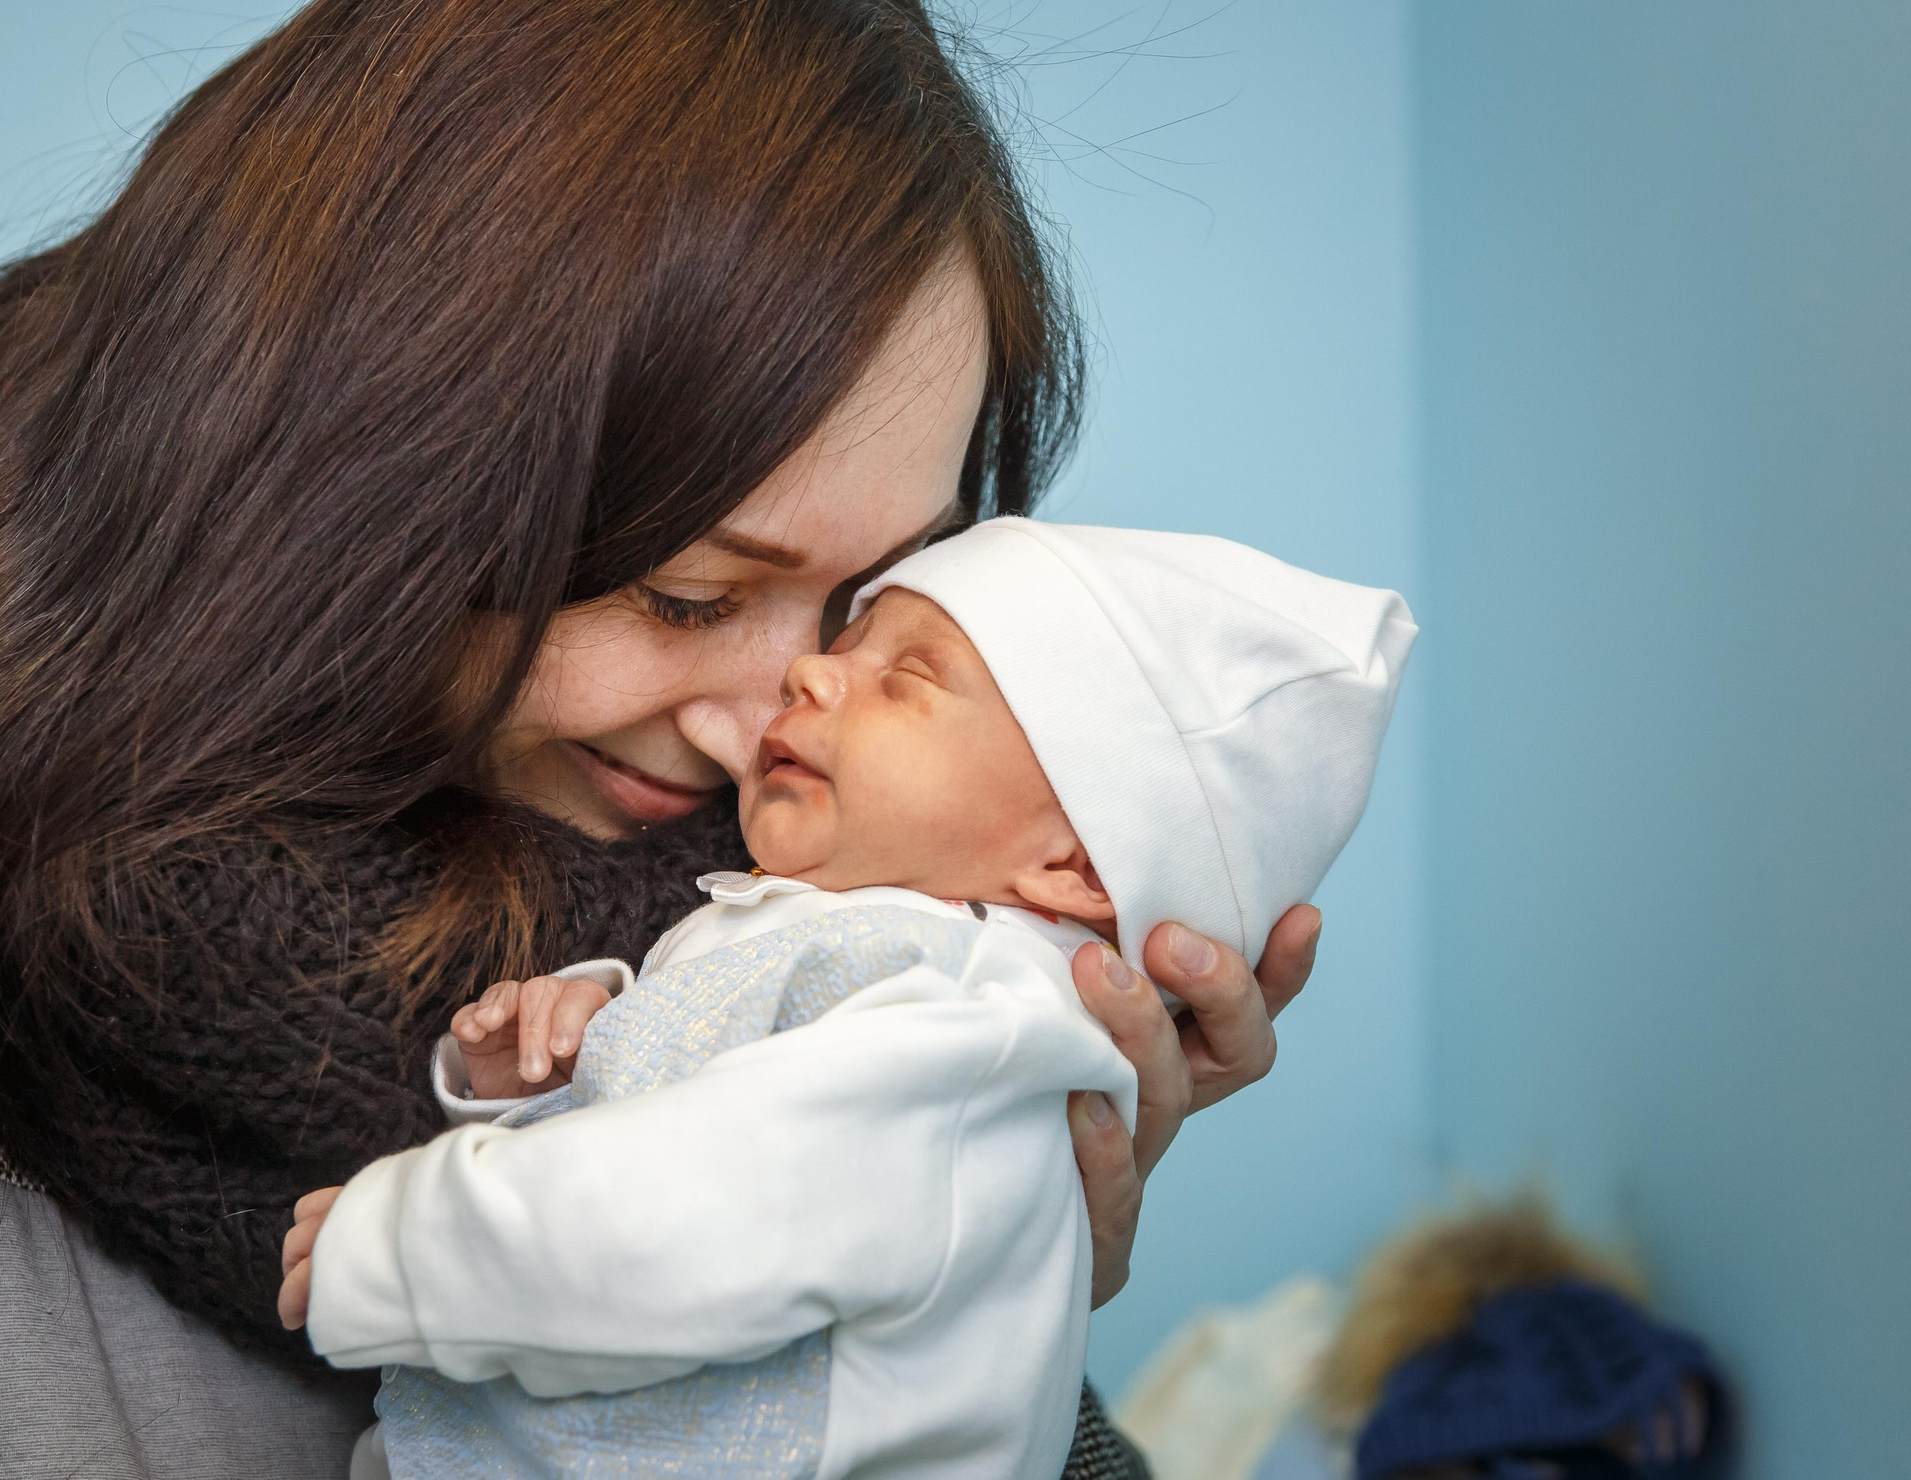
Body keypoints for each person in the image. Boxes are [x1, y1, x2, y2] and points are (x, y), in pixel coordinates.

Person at [0, 0, 1318, 1480]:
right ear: (375, 465)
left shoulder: (828, 997)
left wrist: (980, 1300)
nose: (765, 714)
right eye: (674, 590)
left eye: (858, 607)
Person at [284, 518, 1414, 1479]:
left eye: (906, 678)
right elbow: (709, 1141)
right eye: (691, 597)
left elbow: (706, 1209)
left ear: (1070, 864)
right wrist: (559, 1065)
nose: (807, 672)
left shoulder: (962, 1010)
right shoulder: (850, 950)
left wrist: (403, 1242)